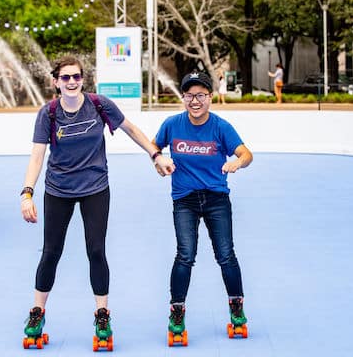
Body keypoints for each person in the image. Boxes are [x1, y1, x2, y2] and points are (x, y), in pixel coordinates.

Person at [20, 55, 175, 345]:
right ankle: (37, 313)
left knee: (96, 251)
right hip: (58, 190)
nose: (71, 82)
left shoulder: (99, 104)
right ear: (56, 82)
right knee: (51, 252)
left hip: (95, 188)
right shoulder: (48, 113)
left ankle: (102, 315)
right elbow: (37, 155)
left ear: (83, 79)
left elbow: (131, 129)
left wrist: (155, 154)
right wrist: (26, 192)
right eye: (65, 77)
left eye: (76, 76)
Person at [152, 71, 253, 340]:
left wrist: (237, 162)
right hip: (184, 200)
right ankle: (177, 311)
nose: (194, 101)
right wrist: (158, 160)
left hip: (216, 199)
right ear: (183, 98)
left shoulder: (221, 127)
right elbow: (153, 145)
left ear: (209, 97)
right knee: (185, 254)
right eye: (189, 95)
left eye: (200, 95)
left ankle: (236, 307)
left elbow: (246, 153)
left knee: (226, 254)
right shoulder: (172, 125)